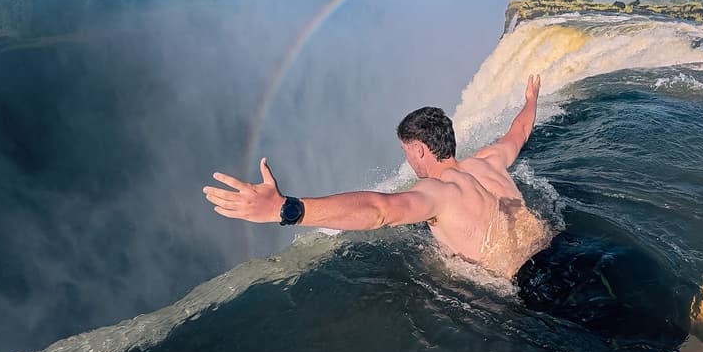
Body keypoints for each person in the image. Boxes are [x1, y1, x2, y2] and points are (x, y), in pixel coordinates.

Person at [203, 74, 552, 279]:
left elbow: (380, 210)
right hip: (559, 253)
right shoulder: (488, 162)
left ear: (419, 150)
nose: (409, 161)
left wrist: (285, 209)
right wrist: (531, 98)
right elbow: (518, 131)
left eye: (406, 152)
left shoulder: (438, 191)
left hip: (529, 284)